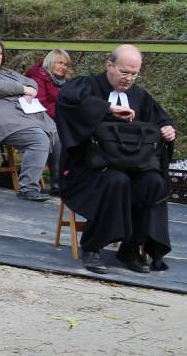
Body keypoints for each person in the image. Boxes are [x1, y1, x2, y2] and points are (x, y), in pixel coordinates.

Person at [55, 44, 176, 274]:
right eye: (124, 72)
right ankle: (92, 246)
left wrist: (168, 129)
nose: (129, 79)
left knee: (154, 182)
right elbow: (66, 102)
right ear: (110, 65)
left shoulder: (139, 96)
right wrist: (107, 108)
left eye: (134, 74)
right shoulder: (85, 86)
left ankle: (131, 248)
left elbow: (160, 120)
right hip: (88, 169)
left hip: (135, 168)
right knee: (116, 180)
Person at [0, 38, 57, 203]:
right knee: (38, 139)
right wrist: (22, 89)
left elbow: (31, 82)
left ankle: (58, 184)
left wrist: (30, 90)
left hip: (21, 120)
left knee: (57, 133)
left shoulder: (7, 72)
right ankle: (28, 188)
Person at [27, 49, 73, 121]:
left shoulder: (65, 80)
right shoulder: (39, 78)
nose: (63, 67)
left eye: (65, 64)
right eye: (60, 63)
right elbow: (40, 104)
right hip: (44, 119)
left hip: (61, 115)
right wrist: (66, 112)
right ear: (50, 62)